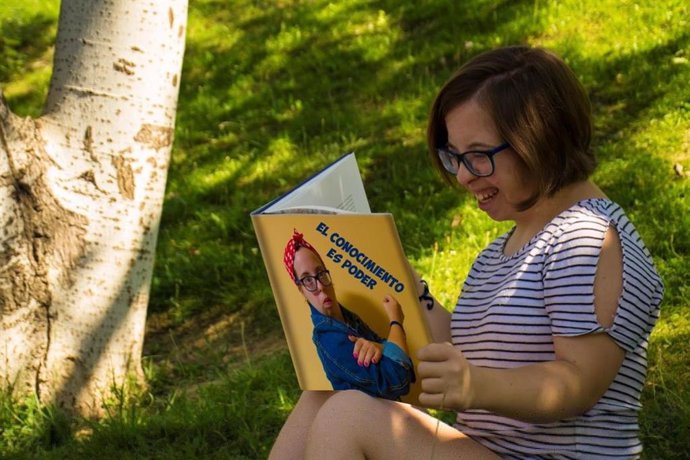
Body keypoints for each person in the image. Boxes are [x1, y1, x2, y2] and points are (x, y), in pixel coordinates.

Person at [269, 45, 664, 460]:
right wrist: (404, 283)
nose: (461, 175)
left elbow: (577, 382)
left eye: (477, 156)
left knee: (349, 415)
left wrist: (475, 386)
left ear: (541, 139)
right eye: (454, 156)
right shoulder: (503, 250)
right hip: (486, 449)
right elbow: (459, 354)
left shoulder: (587, 238)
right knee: (327, 393)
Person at [282, 229, 415, 400]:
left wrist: (380, 347)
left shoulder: (347, 317)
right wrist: (396, 321)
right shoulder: (330, 339)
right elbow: (399, 379)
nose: (320, 286)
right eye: (307, 280)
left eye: (321, 273)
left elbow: (389, 350)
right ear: (300, 289)